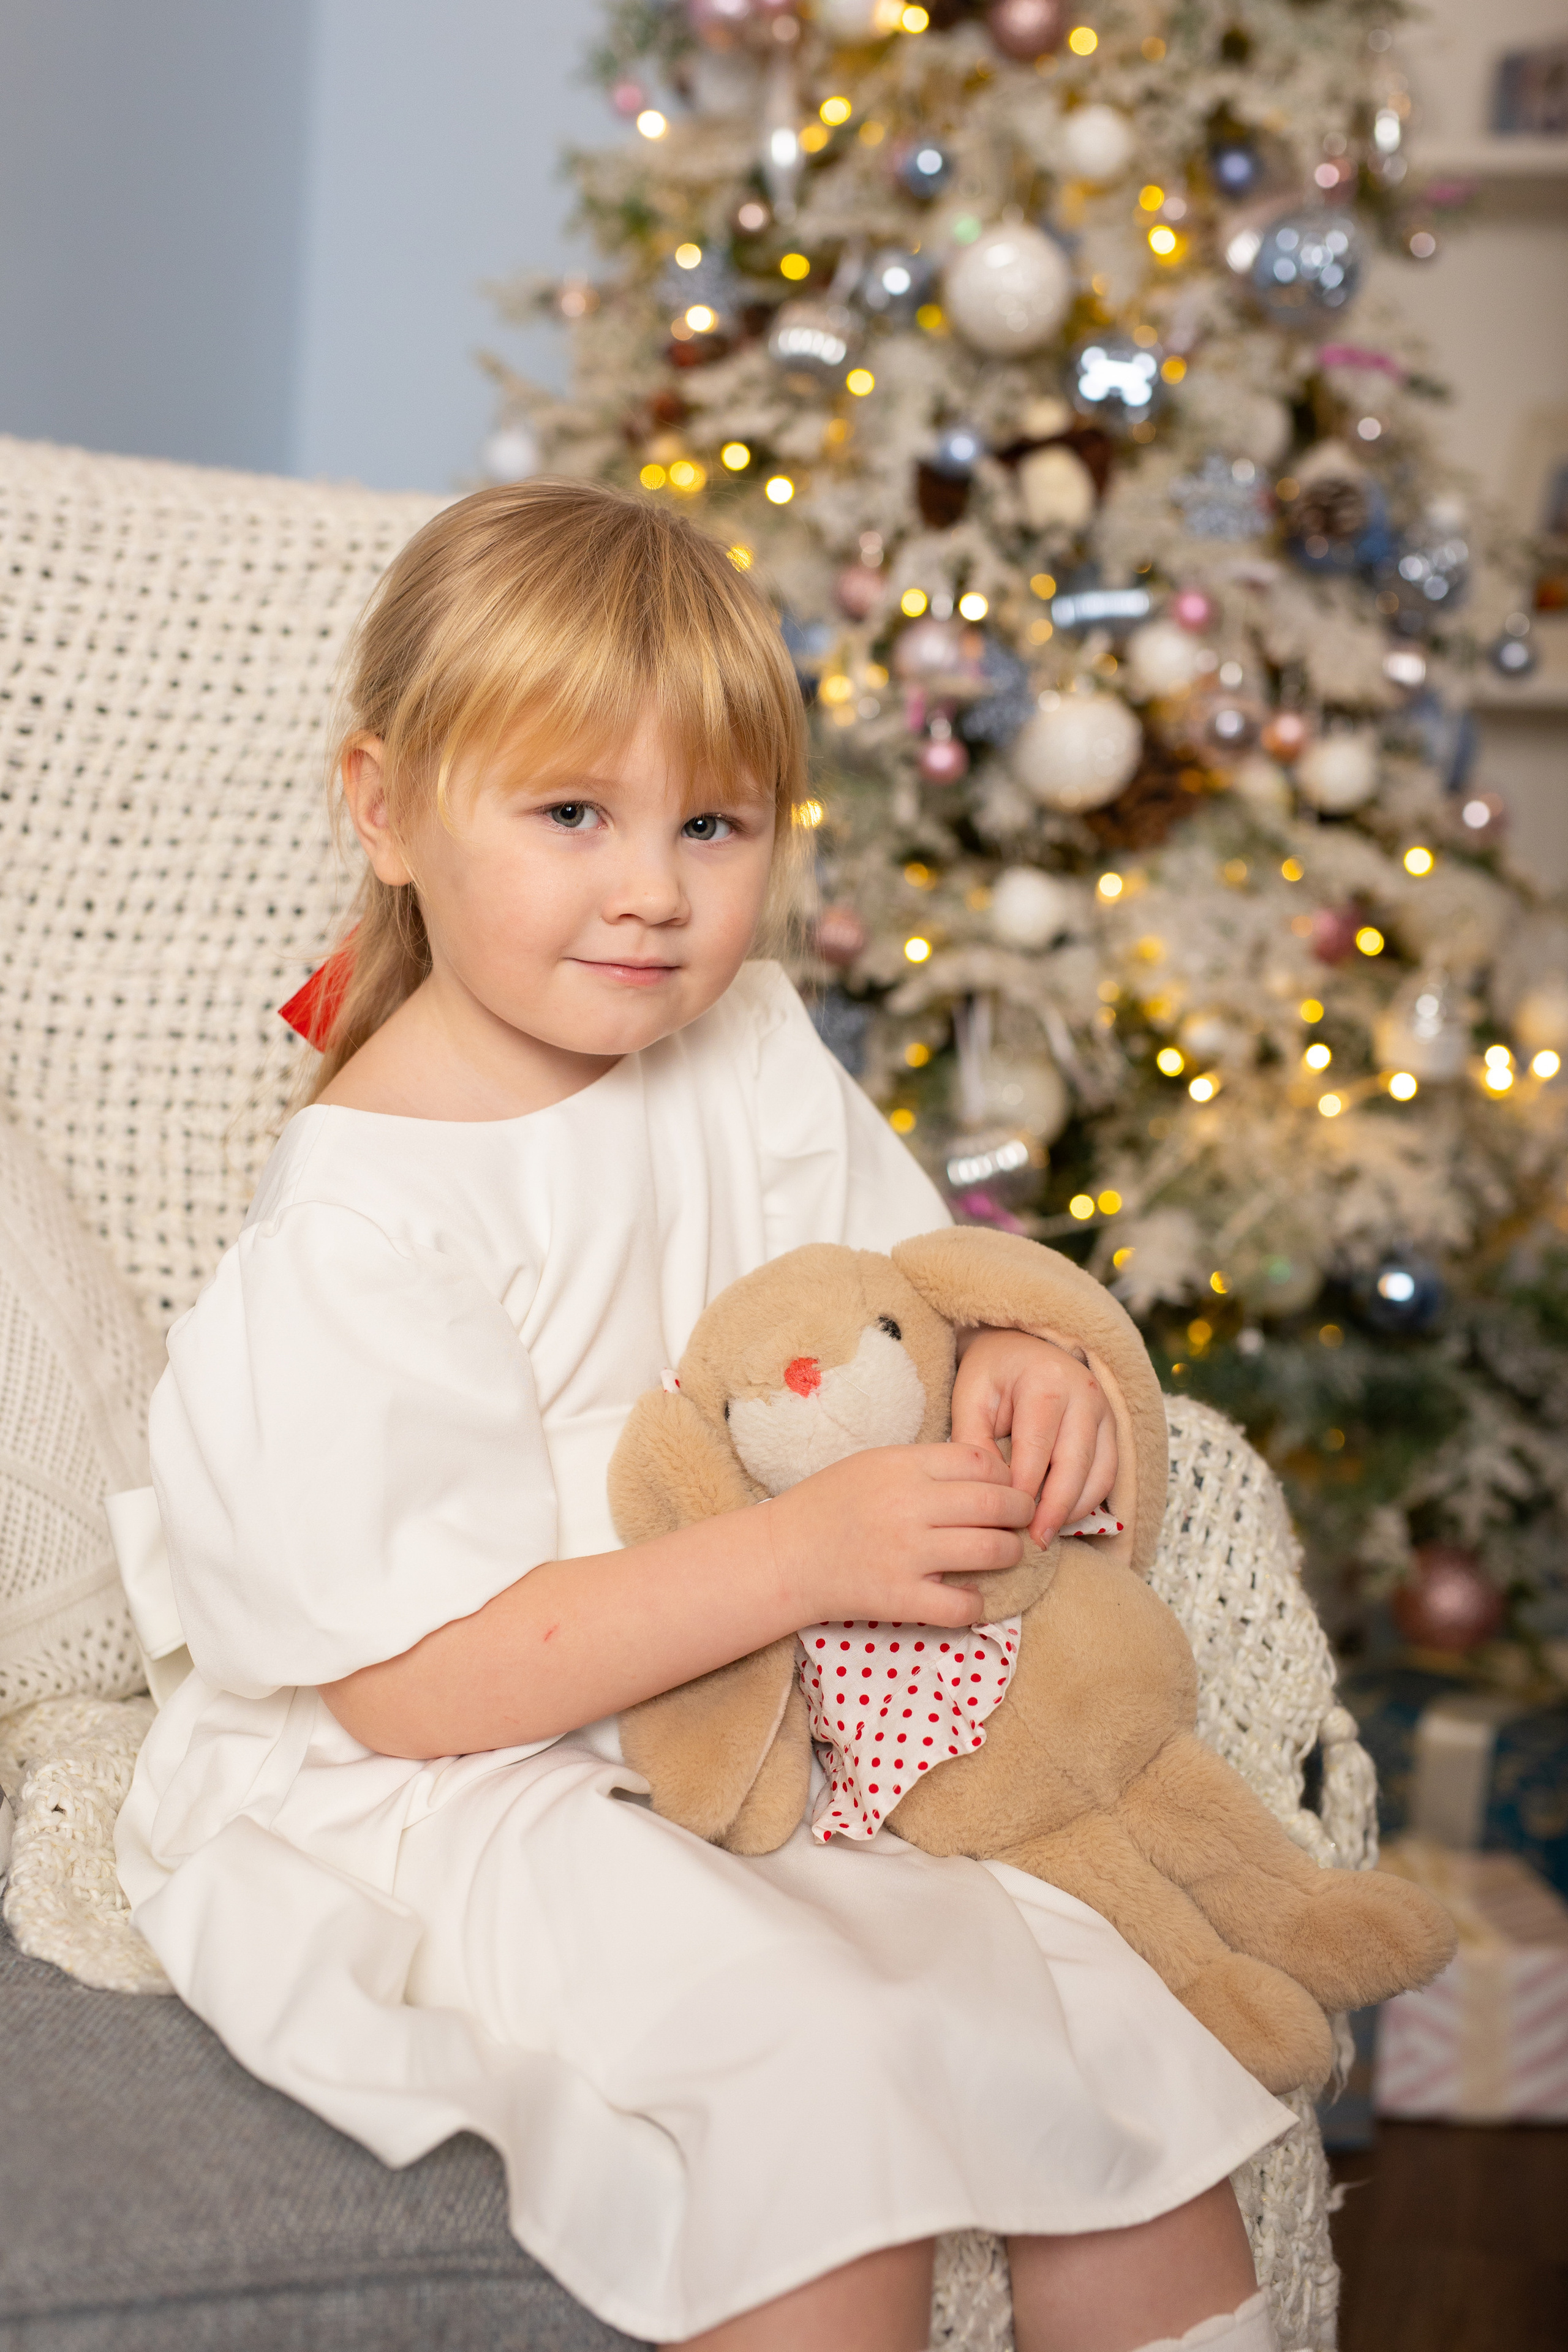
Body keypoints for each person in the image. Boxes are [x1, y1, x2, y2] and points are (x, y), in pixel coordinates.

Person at [117, 481, 1291, 2352]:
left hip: (775, 1706)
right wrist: (799, 1560)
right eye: (573, 815)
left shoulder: (742, 1050)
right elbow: (405, 1687)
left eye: (714, 824)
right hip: (477, 1770)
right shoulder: (367, 1218)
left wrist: (1011, 1363)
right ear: (387, 809)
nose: (656, 888)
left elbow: (897, 1299)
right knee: (807, 2086)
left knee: (1114, 2038)